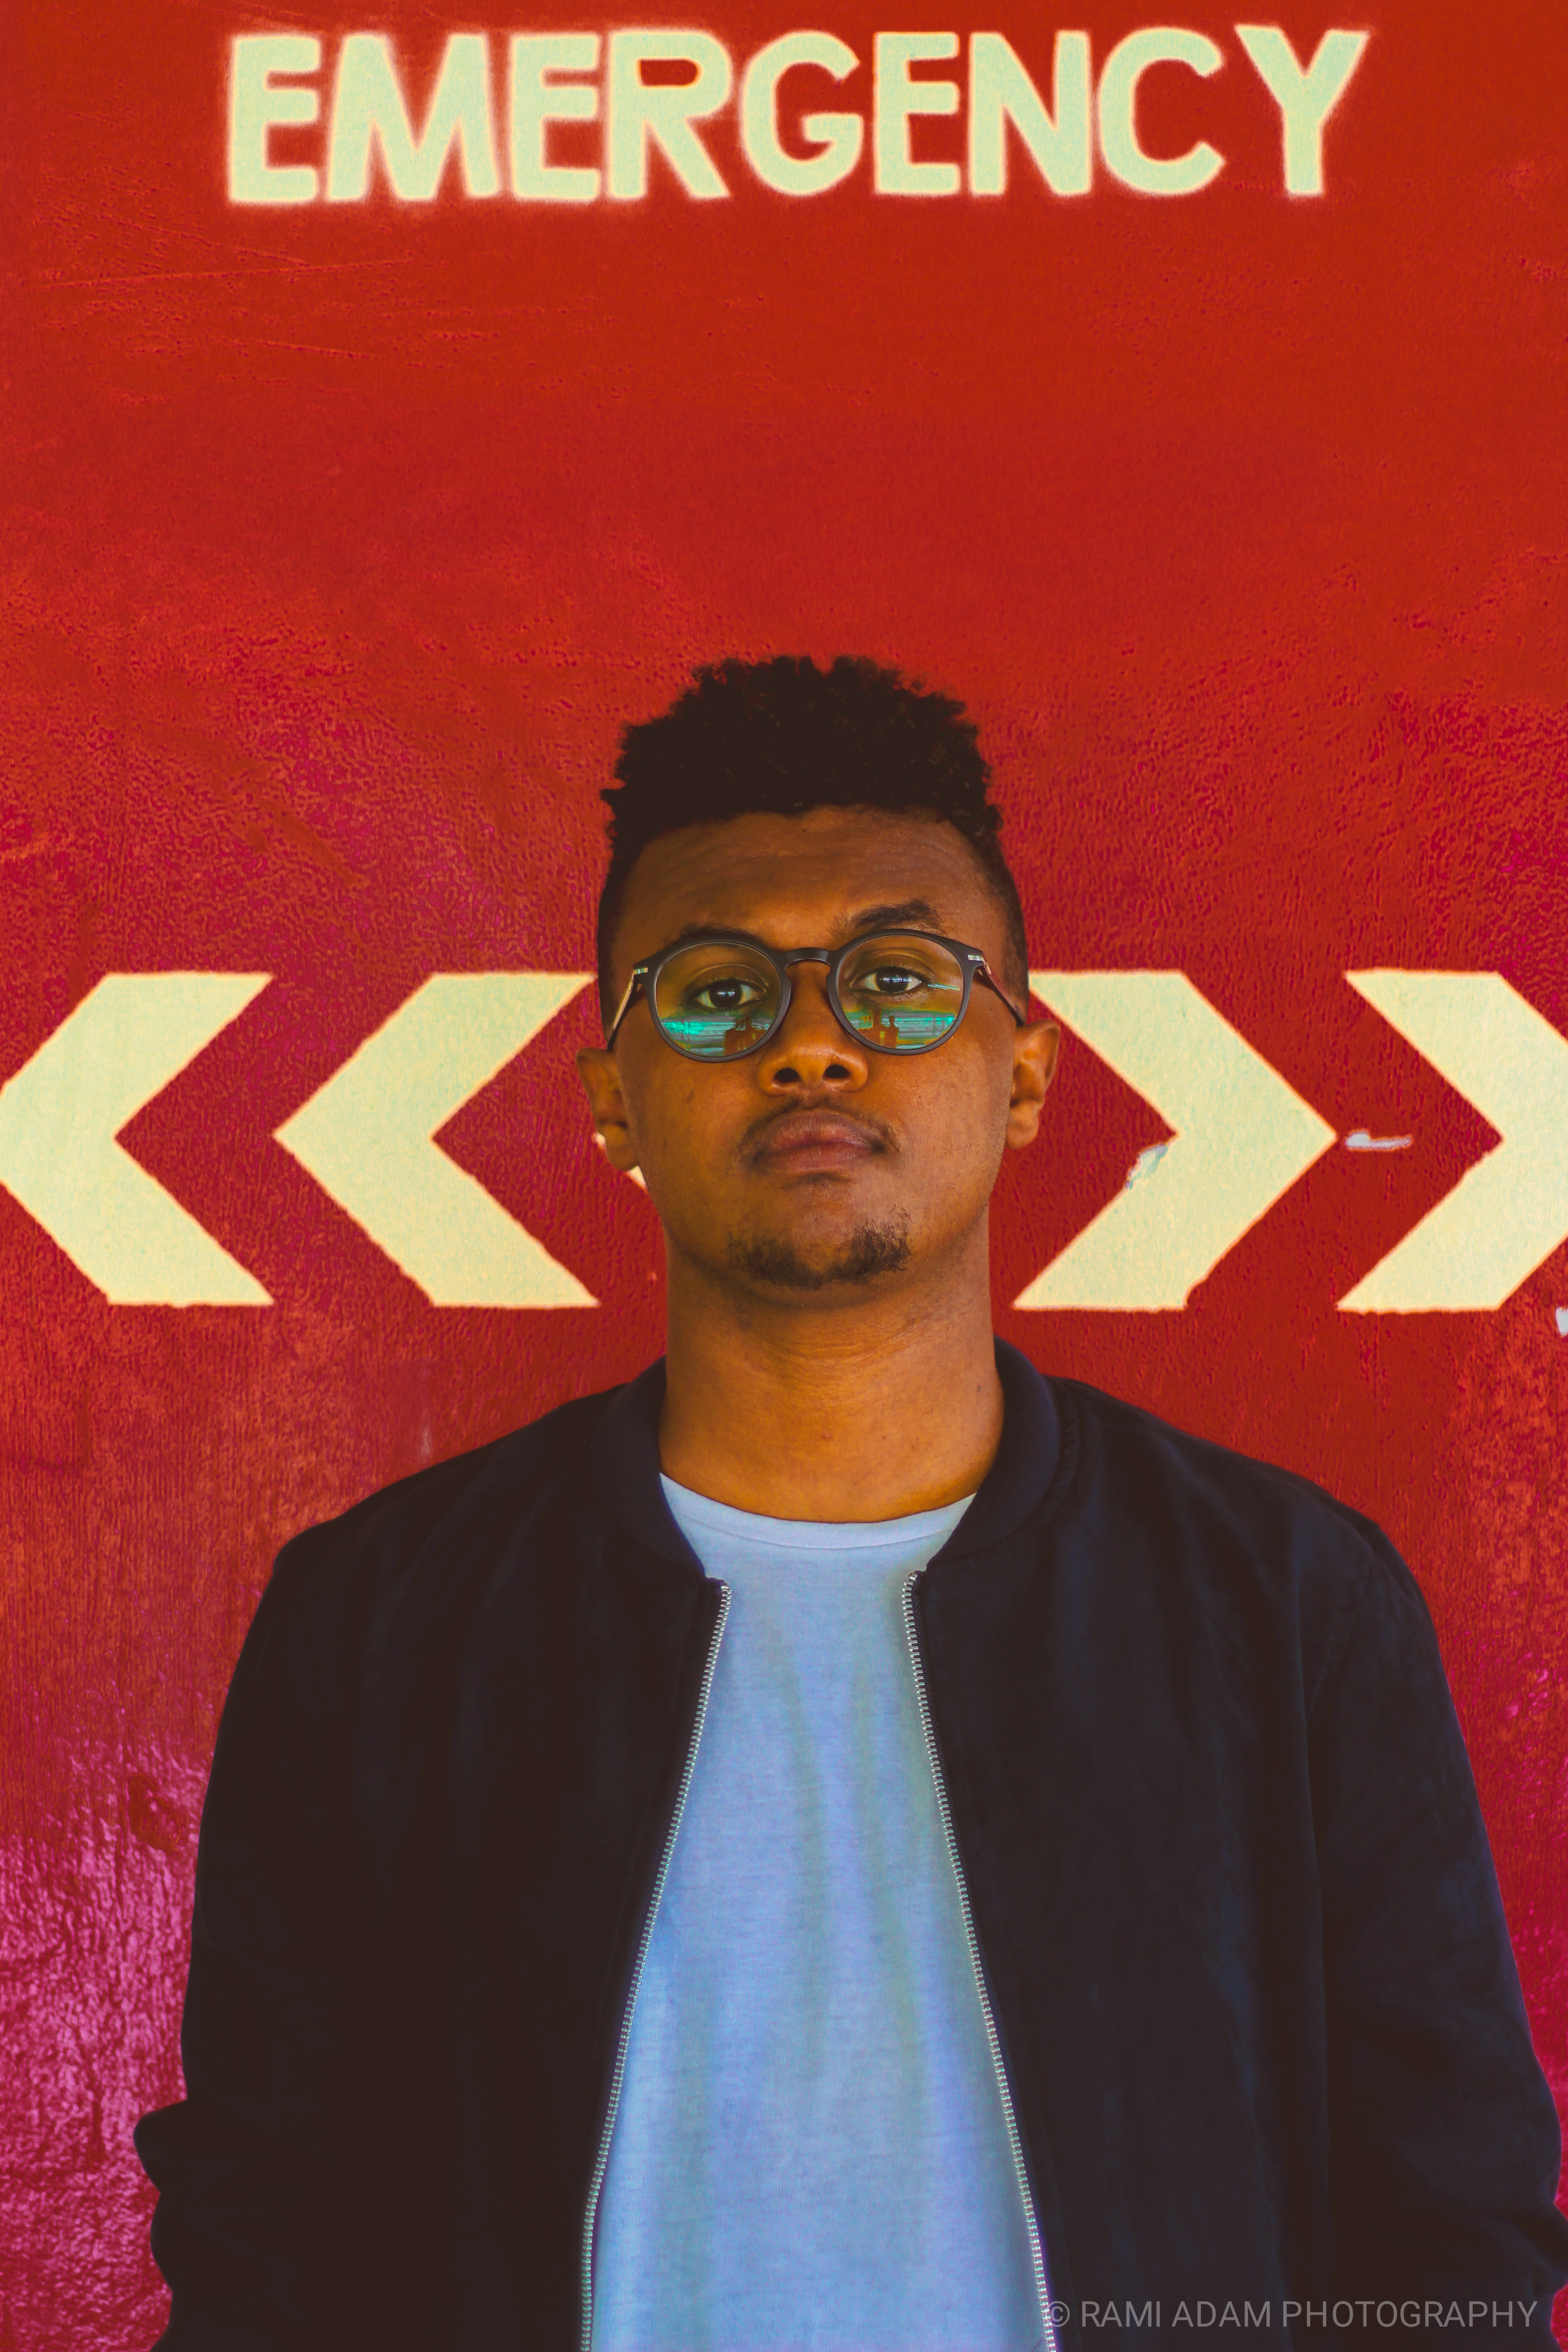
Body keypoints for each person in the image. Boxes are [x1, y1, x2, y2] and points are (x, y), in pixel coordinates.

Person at [136, 656, 1568, 2352]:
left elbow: (1450, 2227)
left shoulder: (1286, 1599)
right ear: (613, 1098)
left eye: (897, 981)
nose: (812, 1044)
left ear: (1025, 1075)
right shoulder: (381, 1621)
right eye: (717, 992)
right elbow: (267, 2233)